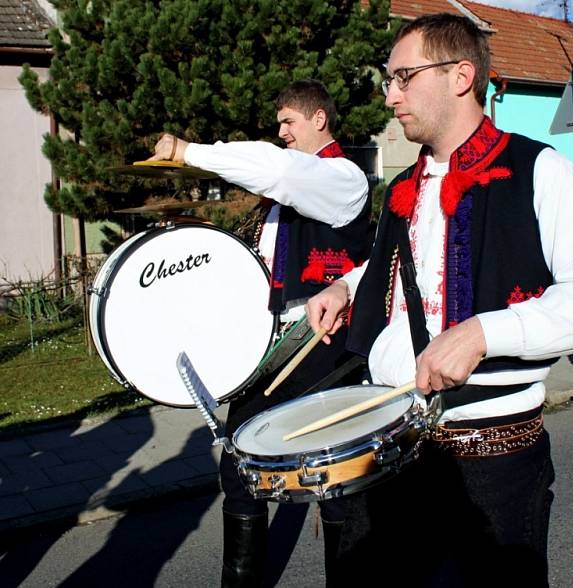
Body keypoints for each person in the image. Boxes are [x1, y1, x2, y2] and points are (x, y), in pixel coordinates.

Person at [305, 13, 573, 586]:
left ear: (461, 75)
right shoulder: (402, 186)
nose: (390, 96)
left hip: (492, 458)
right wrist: (345, 286)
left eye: (404, 77)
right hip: (390, 443)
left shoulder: (541, 171)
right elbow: (404, 269)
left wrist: (485, 332)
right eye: (389, 80)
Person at [149, 79, 371, 587]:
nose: (282, 133)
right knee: (241, 470)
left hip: (324, 349)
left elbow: (281, 171)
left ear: (319, 119)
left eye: (288, 122)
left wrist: (189, 152)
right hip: (270, 350)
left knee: (334, 481)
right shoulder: (281, 200)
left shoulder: (342, 177)